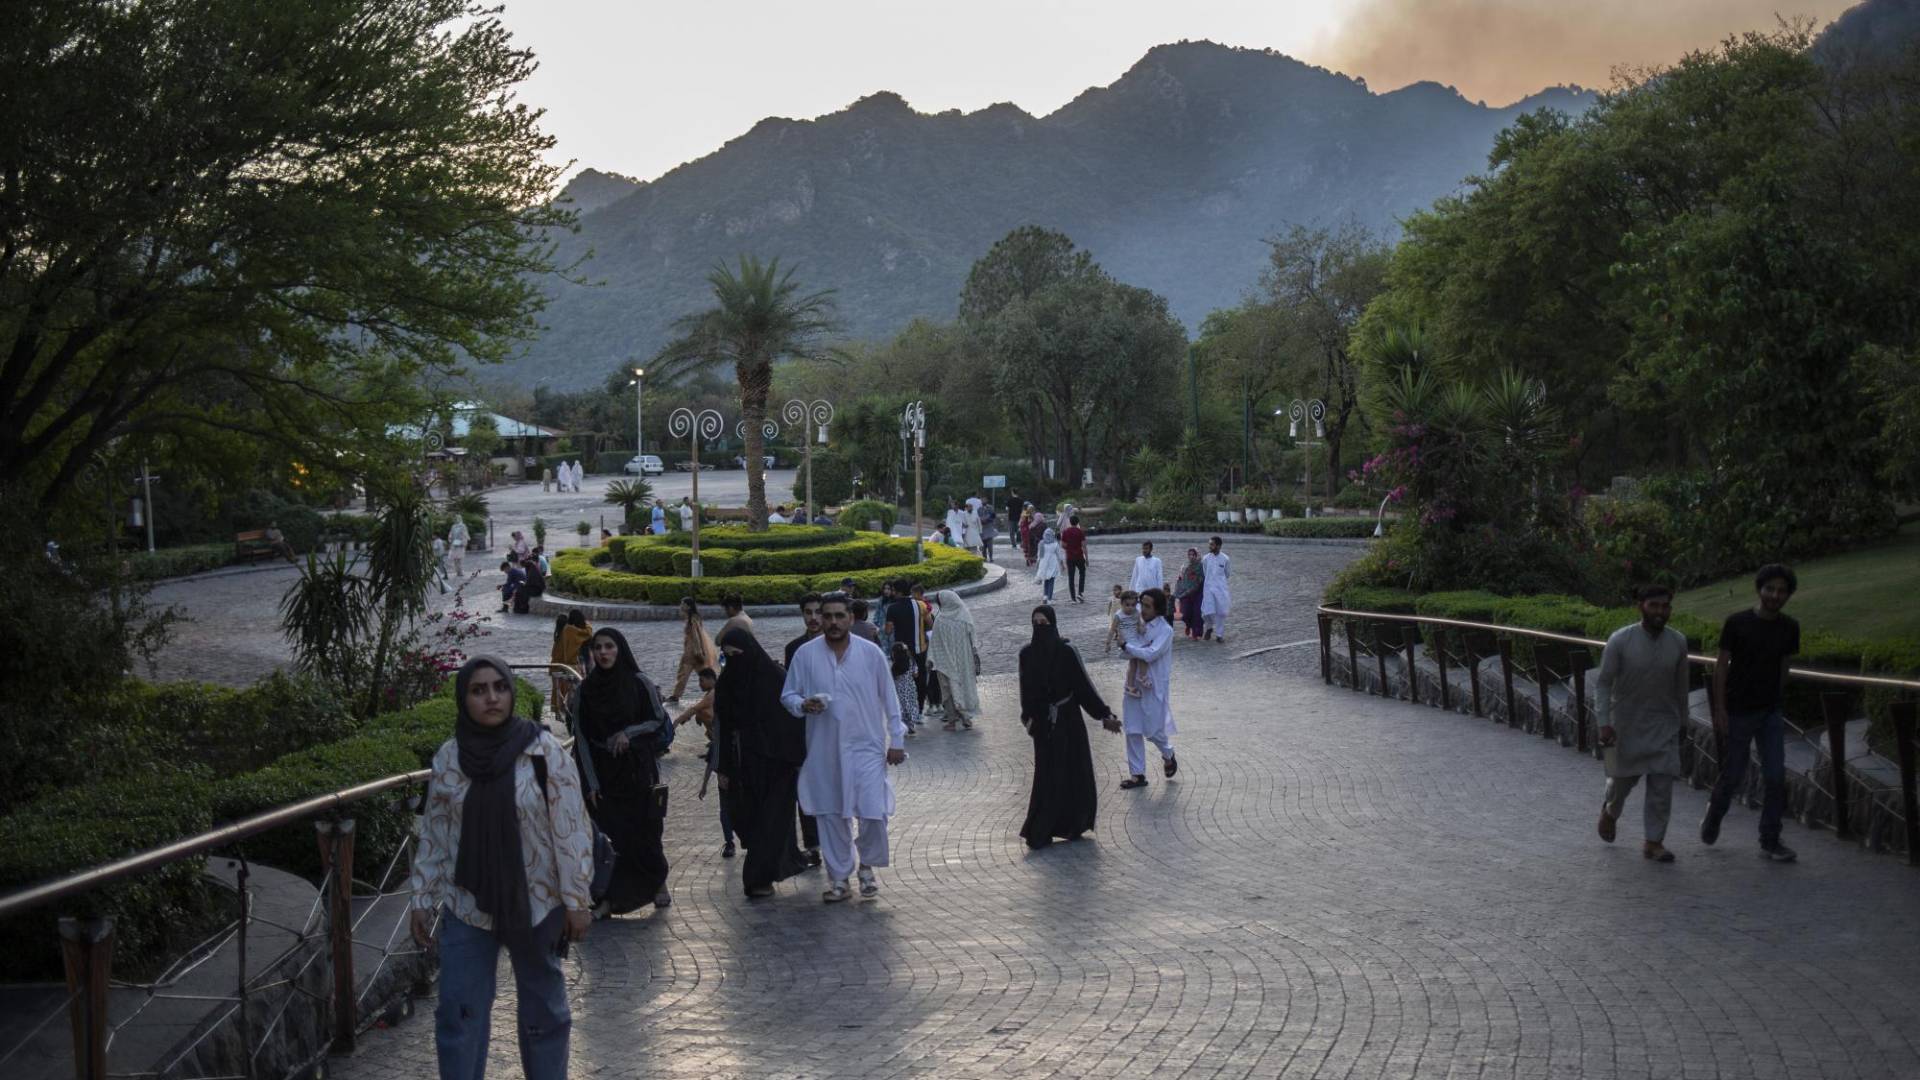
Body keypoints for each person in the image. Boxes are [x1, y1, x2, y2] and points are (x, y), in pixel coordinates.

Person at [408, 656, 592, 1080]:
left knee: (544, 1013)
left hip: (538, 902)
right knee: (458, 1012)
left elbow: (570, 829)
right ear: (463, 698)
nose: (491, 697)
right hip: (468, 905)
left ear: (511, 692)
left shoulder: (541, 751)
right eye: (478, 690)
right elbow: (435, 833)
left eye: (499, 687)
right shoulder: (450, 758)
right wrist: (422, 897)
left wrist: (577, 899)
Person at [782, 594, 907, 902]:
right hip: (824, 749)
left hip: (867, 746)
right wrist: (802, 704)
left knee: (873, 812)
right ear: (820, 620)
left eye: (840, 616)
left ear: (851, 618)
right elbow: (788, 694)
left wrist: (897, 739)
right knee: (830, 814)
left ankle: (866, 867)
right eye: (828, 616)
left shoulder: (871, 654)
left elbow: (889, 697)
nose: (833, 622)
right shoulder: (805, 655)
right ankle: (839, 878)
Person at [1703, 564, 1802, 862]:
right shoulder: (1737, 623)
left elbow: (1785, 667)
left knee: (1775, 775)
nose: (1775, 595)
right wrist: (1720, 708)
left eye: (1781, 591)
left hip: (1770, 711)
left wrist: (1776, 699)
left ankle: (1770, 838)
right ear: (1759, 589)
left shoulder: (1790, 627)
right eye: (1770, 589)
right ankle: (1715, 812)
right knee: (1733, 774)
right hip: (1738, 711)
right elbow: (1721, 666)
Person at [569, 628, 672, 915]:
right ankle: (610, 898)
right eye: (598, 647)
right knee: (612, 835)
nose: (603, 653)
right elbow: (581, 739)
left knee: (646, 831)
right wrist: (590, 782)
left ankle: (657, 881)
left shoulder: (639, 683)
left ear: (620, 649)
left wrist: (629, 733)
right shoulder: (585, 692)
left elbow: (658, 719)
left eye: (609, 646)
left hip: (638, 770)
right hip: (605, 773)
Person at [1595, 585, 1692, 863]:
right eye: (1654, 606)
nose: (1660, 612)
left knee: (1662, 786)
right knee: (1621, 784)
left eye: (1665, 606)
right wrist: (1604, 723)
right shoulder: (1620, 640)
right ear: (1641, 607)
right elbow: (1603, 684)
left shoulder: (1678, 642)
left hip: (1665, 723)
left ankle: (1654, 842)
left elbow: (1681, 687)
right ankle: (1611, 811)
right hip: (1626, 724)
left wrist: (1683, 721)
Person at [714, 627, 810, 898]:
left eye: (737, 655)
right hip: (742, 766)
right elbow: (722, 727)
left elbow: (792, 722)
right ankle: (772, 868)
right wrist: (721, 767)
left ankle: (758, 878)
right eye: (727, 656)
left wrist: (795, 759)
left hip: (778, 764)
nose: (733, 661)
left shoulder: (775, 679)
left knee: (772, 822)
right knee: (748, 821)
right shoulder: (727, 684)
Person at [1019, 605, 1115, 848]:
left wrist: (1103, 714)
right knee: (1047, 775)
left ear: (1053, 624)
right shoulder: (1026, 654)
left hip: (1069, 720)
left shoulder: (1066, 651)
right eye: (1036, 623)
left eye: (1044, 623)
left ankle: (1074, 823)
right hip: (1043, 725)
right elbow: (1025, 691)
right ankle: (1041, 829)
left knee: (1074, 770)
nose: (1040, 628)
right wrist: (1029, 719)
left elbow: (1083, 687)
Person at [783, 593, 828, 861]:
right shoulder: (795, 649)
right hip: (805, 727)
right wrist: (801, 704)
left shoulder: (839, 646)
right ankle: (813, 845)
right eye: (807, 612)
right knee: (807, 786)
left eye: (817, 612)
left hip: (833, 728)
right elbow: (790, 690)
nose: (813, 618)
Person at [1118, 589, 1178, 789]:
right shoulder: (1135, 624)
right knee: (1132, 728)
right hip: (1134, 684)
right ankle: (1137, 775)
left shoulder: (1165, 630)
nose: (1141, 609)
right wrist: (1125, 645)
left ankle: (1168, 754)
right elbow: (1126, 654)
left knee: (1153, 730)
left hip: (1154, 686)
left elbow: (1151, 654)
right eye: (1140, 604)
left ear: (1158, 608)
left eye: (1147, 606)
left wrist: (1127, 646)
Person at [686, 667, 736, 858]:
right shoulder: (721, 720)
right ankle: (730, 842)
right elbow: (714, 753)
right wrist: (707, 783)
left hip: (740, 769)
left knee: (734, 808)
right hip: (727, 770)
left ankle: (737, 840)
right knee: (726, 809)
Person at [928, 590, 981, 731]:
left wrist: (931, 660)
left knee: (948, 690)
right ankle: (966, 718)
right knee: (964, 686)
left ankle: (952, 721)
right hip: (964, 660)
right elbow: (973, 639)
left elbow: (935, 642)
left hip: (945, 662)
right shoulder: (965, 616)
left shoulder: (940, 619)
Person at [668, 597, 719, 704]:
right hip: (696, 652)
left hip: (691, 653)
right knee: (705, 673)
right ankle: (717, 690)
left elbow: (696, 637)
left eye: (682, 604)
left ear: (688, 606)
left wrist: (698, 651)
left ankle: (676, 696)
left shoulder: (692, 620)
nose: (681, 606)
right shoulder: (695, 618)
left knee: (683, 674)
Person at [549, 609, 594, 712]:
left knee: (561, 689)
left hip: (566, 664)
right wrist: (587, 623)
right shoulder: (577, 631)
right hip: (577, 665)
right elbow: (588, 631)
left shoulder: (567, 630)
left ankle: (559, 709)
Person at [1200, 535, 1231, 644]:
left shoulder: (1225, 559)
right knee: (1206, 611)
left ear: (1218, 546)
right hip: (1208, 588)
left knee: (1220, 612)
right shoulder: (1205, 559)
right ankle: (1208, 628)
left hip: (1220, 590)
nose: (1210, 546)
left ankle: (1219, 635)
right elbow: (1205, 572)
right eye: (1209, 544)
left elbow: (1227, 574)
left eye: (1212, 544)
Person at [891, 642, 923, 736]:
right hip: (910, 688)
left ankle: (903, 725)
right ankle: (911, 725)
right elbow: (916, 674)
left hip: (899, 690)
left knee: (901, 707)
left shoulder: (895, 666)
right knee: (911, 706)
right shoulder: (911, 661)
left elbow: (892, 679)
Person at [1173, 548, 1205, 640]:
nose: (1191, 556)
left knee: (1197, 613)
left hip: (1197, 593)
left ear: (1196, 555)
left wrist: (1194, 587)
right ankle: (1188, 625)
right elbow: (1181, 579)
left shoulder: (1201, 566)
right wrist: (1178, 591)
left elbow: (1200, 580)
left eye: (1193, 554)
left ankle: (1195, 633)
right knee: (1185, 613)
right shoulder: (1185, 566)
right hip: (1186, 594)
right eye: (1189, 554)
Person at [1060, 515, 1088, 603]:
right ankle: (1080, 593)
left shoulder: (1065, 532)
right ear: (1077, 522)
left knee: (1071, 577)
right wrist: (1087, 558)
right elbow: (1084, 546)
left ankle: (1073, 598)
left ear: (1070, 522)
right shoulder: (1080, 532)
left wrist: (1069, 547)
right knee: (1082, 574)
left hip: (1070, 557)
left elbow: (1063, 545)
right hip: (1079, 556)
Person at [1034, 527, 1064, 603]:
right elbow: (1059, 555)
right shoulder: (1055, 543)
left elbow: (1039, 555)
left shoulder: (1041, 543)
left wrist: (1038, 564)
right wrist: (1062, 564)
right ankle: (1049, 599)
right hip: (1052, 563)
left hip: (1044, 563)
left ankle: (1045, 596)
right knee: (1051, 581)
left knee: (1046, 580)